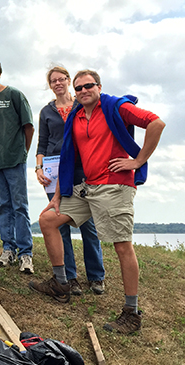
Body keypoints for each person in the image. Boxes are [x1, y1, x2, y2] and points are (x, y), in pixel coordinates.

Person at [29, 69, 165, 334]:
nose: (82, 91)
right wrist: (57, 196)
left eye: (87, 86)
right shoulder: (77, 116)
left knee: (122, 247)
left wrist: (138, 161)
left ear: (99, 86)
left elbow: (156, 123)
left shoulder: (116, 106)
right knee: (48, 220)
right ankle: (61, 283)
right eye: (78, 89)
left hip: (114, 186)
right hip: (87, 188)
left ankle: (131, 313)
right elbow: (68, 157)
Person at [35, 66, 105, 295]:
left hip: (81, 169)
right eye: (53, 80)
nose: (58, 83)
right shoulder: (46, 111)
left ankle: (96, 277)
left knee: (88, 225)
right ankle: (69, 277)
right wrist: (38, 168)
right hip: (53, 171)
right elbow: (42, 143)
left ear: (68, 81)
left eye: (61, 79)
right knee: (59, 224)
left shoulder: (81, 104)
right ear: (50, 84)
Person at [0, 59, 35, 273]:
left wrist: (23, 152)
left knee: (20, 206)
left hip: (15, 160)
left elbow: (28, 127)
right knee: (5, 205)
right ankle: (8, 249)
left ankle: (26, 254)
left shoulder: (14, 95)